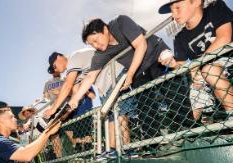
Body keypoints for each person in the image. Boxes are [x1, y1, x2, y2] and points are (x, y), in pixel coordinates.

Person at [68, 15, 193, 155]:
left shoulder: (120, 22)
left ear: (104, 29)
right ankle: (152, 145)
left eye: (96, 40)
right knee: (145, 106)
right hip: (140, 72)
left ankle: (190, 133)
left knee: (173, 92)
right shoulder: (101, 52)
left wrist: (130, 74)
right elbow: (91, 76)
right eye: (92, 44)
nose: (96, 46)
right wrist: (75, 98)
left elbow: (141, 45)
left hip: (158, 58)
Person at [158, 0, 233, 120]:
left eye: (177, 8)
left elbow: (224, 38)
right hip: (204, 69)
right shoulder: (179, 37)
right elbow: (183, 67)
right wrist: (173, 64)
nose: (173, 15)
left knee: (209, 70)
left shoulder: (215, 8)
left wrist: (197, 65)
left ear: (197, 1)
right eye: (172, 11)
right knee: (196, 99)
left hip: (228, 56)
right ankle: (211, 124)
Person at [43, 50, 96, 154]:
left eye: (54, 66)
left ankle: (91, 150)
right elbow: (75, 91)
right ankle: (84, 152)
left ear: (58, 57)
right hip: (72, 107)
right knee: (76, 132)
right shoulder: (72, 72)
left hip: (111, 73)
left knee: (85, 128)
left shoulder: (73, 58)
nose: (55, 70)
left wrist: (54, 109)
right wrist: (66, 110)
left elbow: (68, 86)